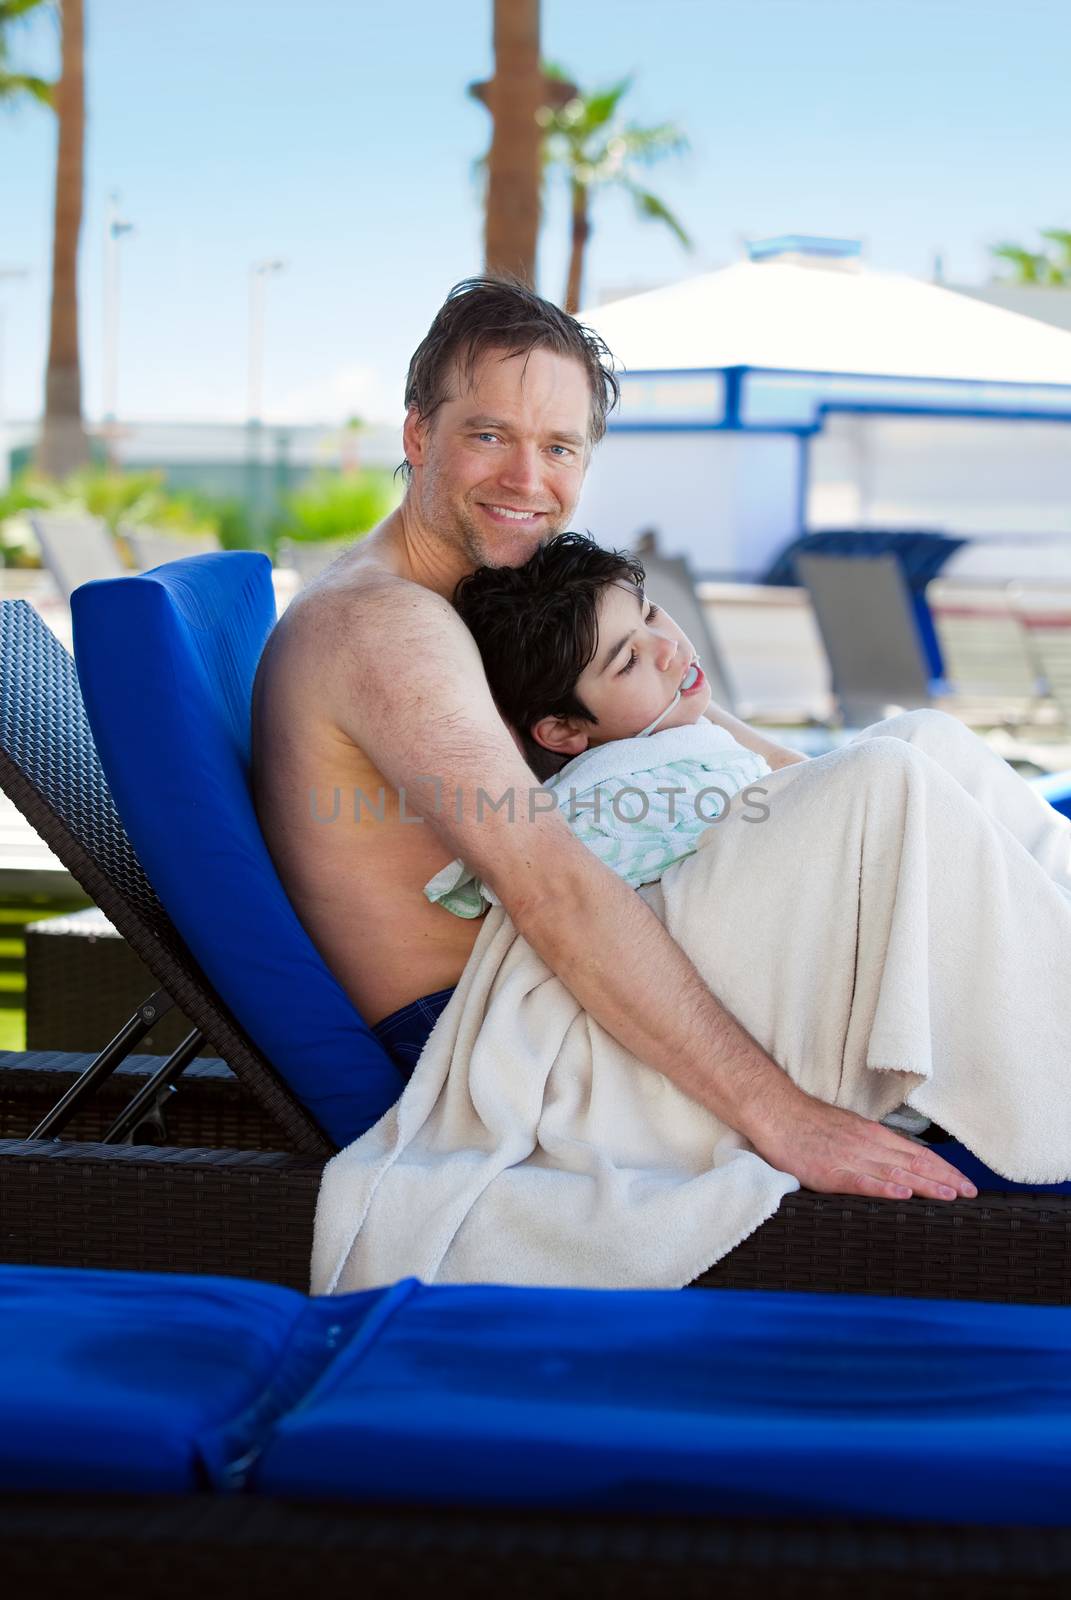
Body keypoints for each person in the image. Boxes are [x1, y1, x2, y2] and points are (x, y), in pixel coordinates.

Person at [251, 275, 975, 1205]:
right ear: (417, 435)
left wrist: (853, 798)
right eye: (488, 436)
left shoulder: (478, 601)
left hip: (566, 995)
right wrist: (784, 1120)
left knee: (918, 753)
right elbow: (546, 882)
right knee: (893, 777)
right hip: (509, 1045)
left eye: (558, 446)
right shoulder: (388, 627)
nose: (527, 479)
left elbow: (737, 745)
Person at [424, 532, 774, 917]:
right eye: (627, 660)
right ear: (564, 729)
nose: (667, 646)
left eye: (650, 614)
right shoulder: (605, 818)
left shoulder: (699, 744)